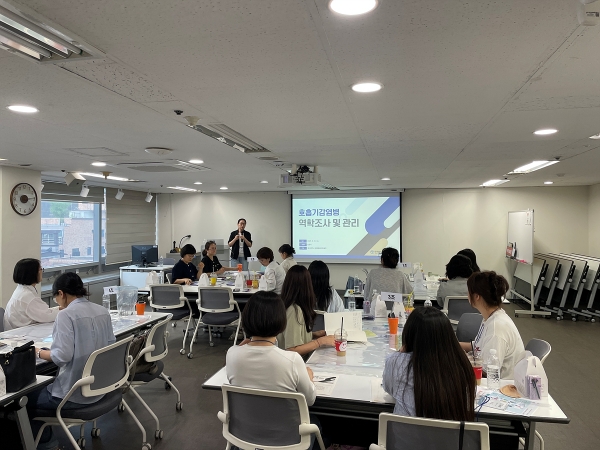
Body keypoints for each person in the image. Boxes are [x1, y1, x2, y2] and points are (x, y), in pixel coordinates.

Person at [28, 273, 115, 450]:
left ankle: (48, 445)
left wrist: (38, 352)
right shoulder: (102, 311)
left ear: (61, 293)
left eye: (56, 298)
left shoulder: (65, 316)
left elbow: (61, 357)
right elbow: (110, 346)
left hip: (73, 395)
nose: (58, 303)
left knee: (25, 398)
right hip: (99, 388)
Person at [227, 291, 324, 449]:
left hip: (245, 436)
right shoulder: (292, 360)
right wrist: (309, 377)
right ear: (282, 322)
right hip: (288, 441)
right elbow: (310, 400)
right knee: (317, 422)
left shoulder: (232, 354)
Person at [383, 307, 475, 420]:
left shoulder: (396, 362)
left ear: (409, 334)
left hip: (404, 432)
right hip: (449, 432)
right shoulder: (461, 365)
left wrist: (401, 352)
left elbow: (389, 389)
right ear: (448, 337)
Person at [460, 271, 525, 378]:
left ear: (476, 296)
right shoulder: (491, 317)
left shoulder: (496, 328)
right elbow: (477, 346)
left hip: (499, 384)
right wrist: (452, 345)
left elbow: (487, 372)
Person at [277, 265, 334, 358]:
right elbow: (292, 349)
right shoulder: (294, 310)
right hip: (295, 363)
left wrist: (313, 335)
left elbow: (294, 336)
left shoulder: (292, 306)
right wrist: (320, 342)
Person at [4, 258, 60, 331]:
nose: (42, 272)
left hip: (19, 330)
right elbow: (47, 316)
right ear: (32, 273)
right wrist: (66, 310)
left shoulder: (22, 289)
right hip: (20, 334)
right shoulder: (27, 296)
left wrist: (60, 308)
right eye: (40, 269)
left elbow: (43, 311)